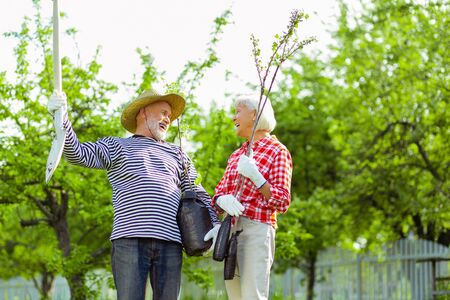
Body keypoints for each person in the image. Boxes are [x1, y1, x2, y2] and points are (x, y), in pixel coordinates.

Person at [47, 89, 220, 300]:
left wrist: (214, 223)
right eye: (163, 112)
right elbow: (78, 154)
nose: (168, 119)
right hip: (129, 240)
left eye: (170, 116)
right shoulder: (117, 146)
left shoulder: (177, 154)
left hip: (170, 242)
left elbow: (198, 192)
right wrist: (61, 117)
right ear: (144, 112)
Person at [212, 94, 293, 300]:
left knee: (252, 296)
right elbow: (219, 192)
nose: (233, 117)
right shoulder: (236, 155)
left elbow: (282, 201)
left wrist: (257, 178)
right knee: (235, 296)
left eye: (238, 111)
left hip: (257, 230)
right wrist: (222, 199)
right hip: (231, 232)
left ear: (255, 114)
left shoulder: (277, 151)